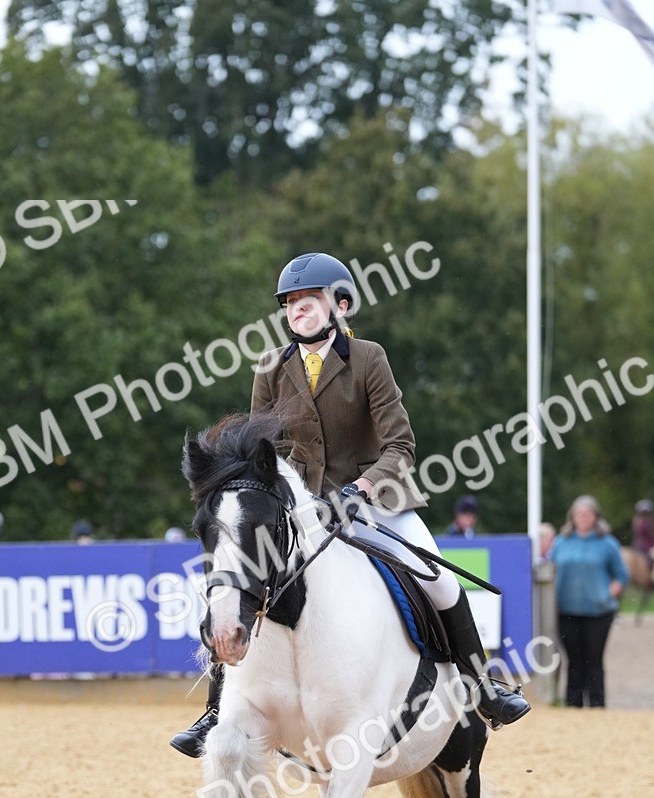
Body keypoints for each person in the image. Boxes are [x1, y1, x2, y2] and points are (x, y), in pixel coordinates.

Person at [171, 251, 529, 757]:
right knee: (242, 578)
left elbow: (400, 445)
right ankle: (216, 708)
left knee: (440, 581)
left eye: (309, 299)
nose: (297, 308)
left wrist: (361, 488)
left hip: (376, 501)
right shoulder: (271, 367)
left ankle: (481, 688)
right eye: (290, 302)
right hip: (305, 508)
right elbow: (259, 449)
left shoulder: (368, 359)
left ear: (340, 305)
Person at [550, 495, 629, 708]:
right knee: (573, 660)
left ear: (596, 517)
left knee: (594, 659)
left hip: (598, 612)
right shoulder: (561, 542)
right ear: (572, 517)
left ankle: (596, 703)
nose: (583, 517)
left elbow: (621, 575)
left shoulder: (608, 544)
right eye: (579, 513)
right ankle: (573, 703)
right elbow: (550, 569)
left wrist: (609, 593)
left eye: (588, 513)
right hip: (567, 610)